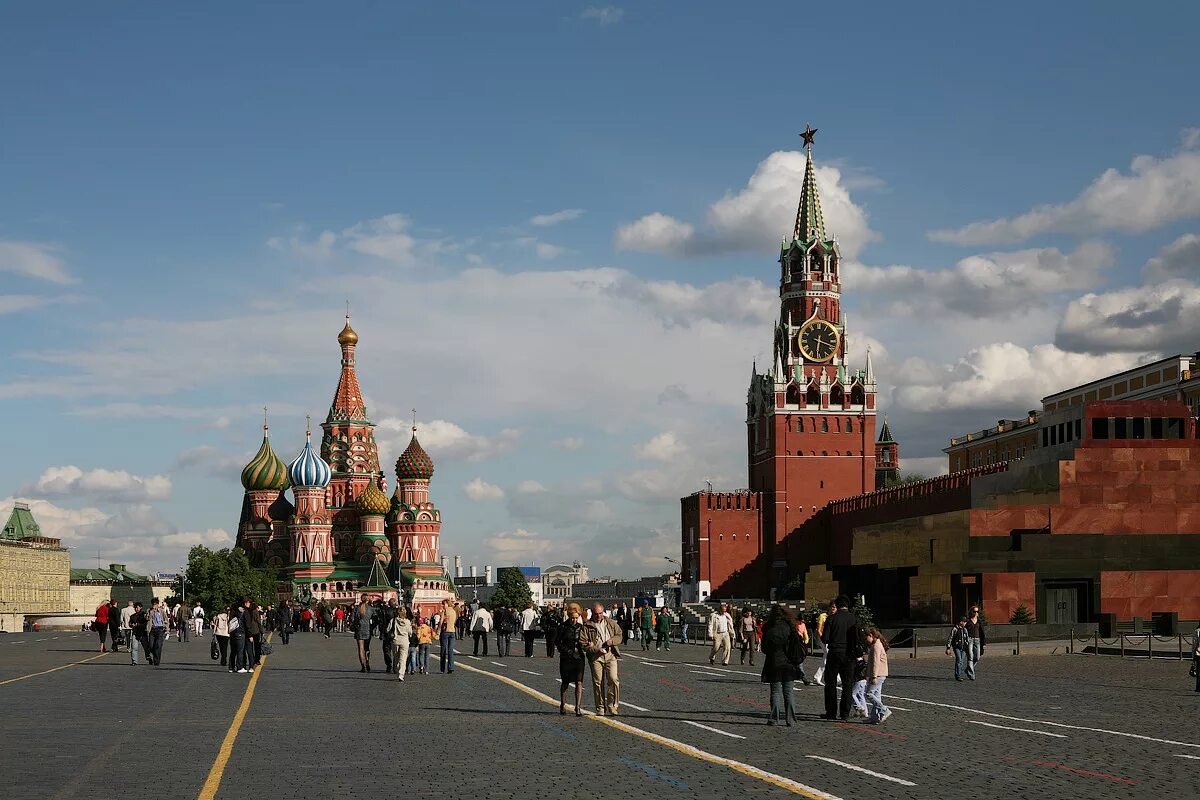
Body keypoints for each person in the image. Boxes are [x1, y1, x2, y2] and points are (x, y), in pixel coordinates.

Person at [759, 605, 804, 726]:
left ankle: (774, 718)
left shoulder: (768, 627)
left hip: (773, 662)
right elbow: (796, 643)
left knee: (775, 692)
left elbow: (764, 648)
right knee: (788, 692)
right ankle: (791, 720)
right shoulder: (789, 626)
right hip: (789, 663)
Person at [820, 595, 859, 721]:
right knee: (847, 684)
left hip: (835, 652)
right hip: (849, 654)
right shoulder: (854, 618)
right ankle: (845, 713)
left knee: (830, 683)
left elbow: (825, 638)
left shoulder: (831, 618)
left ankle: (831, 712)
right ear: (847, 606)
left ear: (837, 605)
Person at [581, 602, 621, 716]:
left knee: (613, 679)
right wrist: (594, 649)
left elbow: (619, 635)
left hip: (610, 655)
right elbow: (583, 644)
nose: (598, 616)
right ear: (592, 614)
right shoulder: (587, 626)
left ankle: (613, 705)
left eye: (600, 613)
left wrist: (611, 641)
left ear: (603, 612)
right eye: (596, 614)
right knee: (598, 682)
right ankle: (600, 707)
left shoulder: (611, 623)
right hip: (596, 657)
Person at [556, 603, 586, 716]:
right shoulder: (563, 627)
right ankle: (563, 704)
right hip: (566, 658)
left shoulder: (581, 628)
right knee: (565, 682)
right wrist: (567, 651)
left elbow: (585, 641)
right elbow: (558, 642)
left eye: (576, 618)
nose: (574, 620)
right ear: (568, 616)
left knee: (579, 682)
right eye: (572, 618)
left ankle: (577, 707)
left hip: (579, 658)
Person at [864, 628, 891, 724]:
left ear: (871, 635)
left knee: (869, 694)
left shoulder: (876, 646)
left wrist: (874, 676)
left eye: (866, 637)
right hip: (881, 673)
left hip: (878, 674)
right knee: (876, 695)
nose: (865, 639)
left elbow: (876, 663)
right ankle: (876, 717)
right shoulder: (877, 644)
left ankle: (883, 710)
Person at [392, 606, 413, 682]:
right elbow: (410, 632)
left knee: (396, 657)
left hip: (395, 640)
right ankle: (401, 674)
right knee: (403, 659)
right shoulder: (407, 622)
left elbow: (388, 629)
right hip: (404, 641)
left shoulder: (394, 620)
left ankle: (396, 668)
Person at [947, 617, 972, 681]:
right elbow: (950, 638)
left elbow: (967, 638)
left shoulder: (965, 629)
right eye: (965, 622)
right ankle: (958, 675)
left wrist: (968, 646)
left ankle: (958, 674)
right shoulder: (955, 629)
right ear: (961, 622)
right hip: (957, 647)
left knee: (961, 662)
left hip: (964, 648)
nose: (965, 623)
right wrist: (948, 648)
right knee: (959, 660)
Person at [965, 606, 986, 680]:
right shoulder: (967, 621)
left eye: (977, 611)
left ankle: (968, 669)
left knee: (977, 657)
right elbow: (964, 631)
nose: (976, 613)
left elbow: (982, 633)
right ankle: (971, 674)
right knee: (970, 657)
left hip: (977, 640)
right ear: (971, 612)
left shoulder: (979, 621)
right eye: (974, 611)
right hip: (969, 640)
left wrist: (984, 644)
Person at [378, 599, 398, 673]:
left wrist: (381, 632)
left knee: (387, 650)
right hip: (396, 633)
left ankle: (389, 665)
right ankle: (395, 666)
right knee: (396, 650)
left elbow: (381, 622)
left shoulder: (385, 611)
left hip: (387, 633)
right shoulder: (398, 611)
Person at [355, 595, 374, 673]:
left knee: (361, 648)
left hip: (359, 629)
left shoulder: (357, 609)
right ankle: (367, 662)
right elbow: (375, 618)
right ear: (367, 600)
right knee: (367, 648)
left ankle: (363, 666)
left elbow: (353, 619)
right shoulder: (371, 609)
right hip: (368, 629)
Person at [439, 599, 457, 674]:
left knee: (443, 649)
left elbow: (441, 622)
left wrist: (438, 630)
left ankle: (442, 668)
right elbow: (454, 621)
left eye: (443, 604)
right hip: (452, 631)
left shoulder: (445, 611)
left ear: (446, 604)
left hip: (445, 631)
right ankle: (451, 667)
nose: (442, 605)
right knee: (450, 650)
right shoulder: (454, 611)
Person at [148, 598, 168, 666]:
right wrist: (151, 611)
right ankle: (153, 655)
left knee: (158, 646)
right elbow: (147, 618)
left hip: (160, 629)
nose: (155, 606)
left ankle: (156, 660)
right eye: (153, 604)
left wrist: (167, 629)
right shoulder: (150, 611)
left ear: (158, 604)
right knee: (151, 645)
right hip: (152, 629)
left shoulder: (162, 611)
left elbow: (166, 620)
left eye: (156, 604)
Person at [228, 604, 247, 673]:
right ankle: (239, 667)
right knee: (240, 651)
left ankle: (231, 667)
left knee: (233, 651)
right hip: (240, 633)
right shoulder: (240, 614)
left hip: (232, 633)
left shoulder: (231, 614)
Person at [243, 600, 262, 668]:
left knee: (249, 647)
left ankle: (251, 659)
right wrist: (261, 630)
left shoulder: (248, 611)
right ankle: (257, 659)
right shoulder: (255, 612)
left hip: (249, 631)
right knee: (257, 646)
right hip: (256, 630)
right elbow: (258, 621)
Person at [813, 607, 829, 685]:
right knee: (827, 657)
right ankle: (817, 676)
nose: (834, 608)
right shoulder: (823, 616)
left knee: (828, 657)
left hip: (831, 639)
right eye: (832, 607)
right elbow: (819, 629)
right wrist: (823, 639)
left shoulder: (834, 616)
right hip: (823, 639)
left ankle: (817, 677)